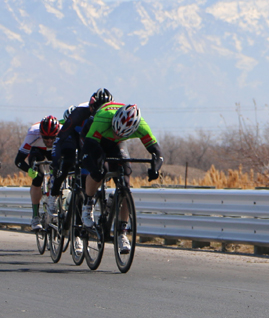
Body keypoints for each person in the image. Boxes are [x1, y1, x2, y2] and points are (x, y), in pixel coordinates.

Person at [80, 102, 164, 255]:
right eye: (117, 131)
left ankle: (122, 232)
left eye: (122, 133)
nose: (117, 134)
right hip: (96, 139)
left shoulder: (141, 126)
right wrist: (93, 167)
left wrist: (155, 169)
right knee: (100, 170)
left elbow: (157, 152)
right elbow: (87, 149)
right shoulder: (103, 118)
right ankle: (88, 204)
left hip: (117, 145)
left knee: (126, 179)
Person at [49, 88, 112, 217]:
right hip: (74, 135)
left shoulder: (109, 115)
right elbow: (59, 139)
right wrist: (56, 163)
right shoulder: (79, 113)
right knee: (67, 163)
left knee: (94, 172)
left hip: (91, 138)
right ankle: (53, 196)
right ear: (91, 107)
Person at [15, 115, 60, 230]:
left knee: (58, 172)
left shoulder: (63, 132)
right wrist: (29, 170)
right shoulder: (33, 134)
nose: (49, 141)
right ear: (40, 133)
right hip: (37, 151)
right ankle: (35, 216)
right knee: (38, 177)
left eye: (52, 138)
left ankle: (54, 200)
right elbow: (18, 160)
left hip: (55, 151)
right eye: (45, 138)